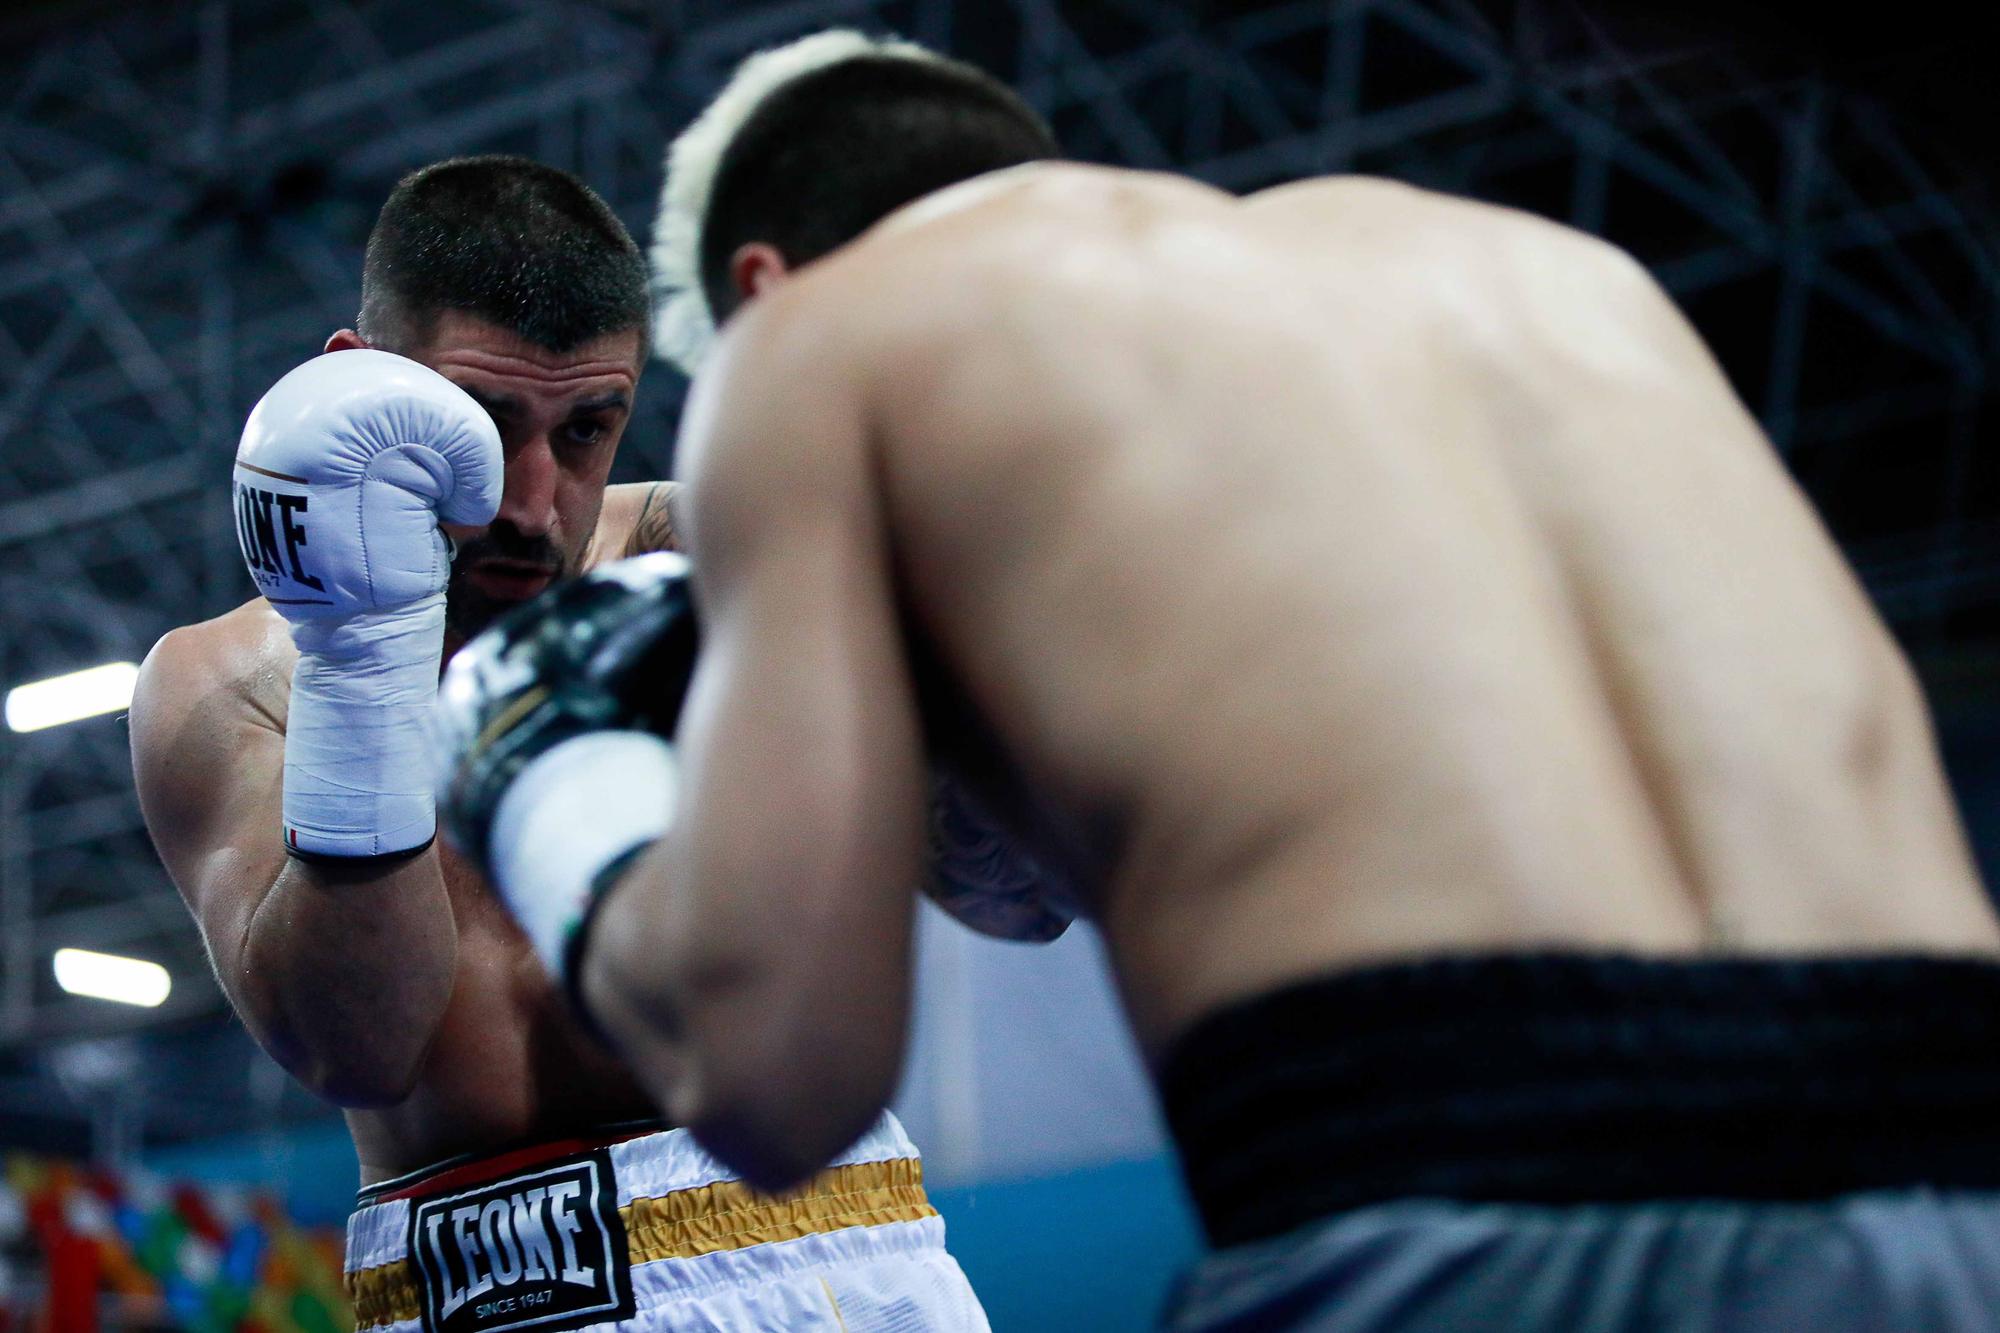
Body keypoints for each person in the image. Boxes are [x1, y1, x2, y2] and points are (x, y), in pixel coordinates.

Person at [432, 30, 2000, 1333]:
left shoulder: (824, 345)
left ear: (763, 286)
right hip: (1957, 1168)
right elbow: (1025, 883)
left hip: (1460, 1189)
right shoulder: (1554, 275)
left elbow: (782, 1082)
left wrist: (552, 768)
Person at [130, 154, 988, 1333]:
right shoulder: (223, 682)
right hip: (444, 1289)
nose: (532, 503)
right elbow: (360, 1049)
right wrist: (364, 656)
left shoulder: (708, 565)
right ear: (361, 386)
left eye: (587, 428)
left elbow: (998, 868)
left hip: (801, 1255)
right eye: (483, 426)